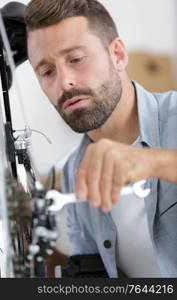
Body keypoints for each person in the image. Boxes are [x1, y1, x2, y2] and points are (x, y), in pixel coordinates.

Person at [24, 0, 177, 277]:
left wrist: (154, 162)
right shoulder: (73, 173)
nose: (64, 82)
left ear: (117, 55)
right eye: (47, 72)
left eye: (76, 59)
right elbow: (92, 276)